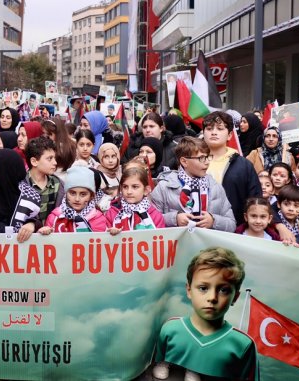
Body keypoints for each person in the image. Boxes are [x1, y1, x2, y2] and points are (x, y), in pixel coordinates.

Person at [152, 247, 257, 381]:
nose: (212, 297)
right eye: (203, 288)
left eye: (224, 290)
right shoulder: (170, 329)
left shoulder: (243, 344)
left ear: (235, 297)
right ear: (189, 290)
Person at [151, 137, 235, 232]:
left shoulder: (215, 187)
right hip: (177, 245)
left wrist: (213, 221)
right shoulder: (164, 187)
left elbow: (231, 224)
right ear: (184, 161)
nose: (207, 162)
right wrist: (174, 219)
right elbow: (150, 221)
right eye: (201, 158)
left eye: (208, 157)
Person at [203, 112, 262, 229]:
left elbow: (255, 199)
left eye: (220, 129)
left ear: (230, 135)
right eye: (209, 128)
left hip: (233, 230)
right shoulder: (192, 161)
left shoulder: (243, 165)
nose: (214, 132)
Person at [38, 165, 107, 234]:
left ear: (91, 196)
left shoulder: (98, 218)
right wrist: (45, 233)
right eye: (72, 193)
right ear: (66, 193)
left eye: (83, 194)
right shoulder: (55, 217)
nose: (77, 199)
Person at [104, 166, 165, 233]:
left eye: (135, 187)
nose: (129, 192)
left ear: (146, 190)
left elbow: (160, 240)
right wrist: (110, 234)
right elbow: (102, 239)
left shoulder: (155, 216)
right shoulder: (112, 213)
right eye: (125, 187)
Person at [24, 136, 63, 221]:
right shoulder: (22, 184)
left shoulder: (58, 184)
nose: (55, 162)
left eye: (54, 158)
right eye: (49, 159)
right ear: (34, 161)